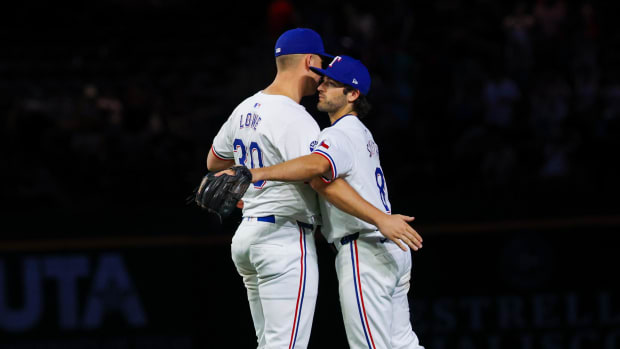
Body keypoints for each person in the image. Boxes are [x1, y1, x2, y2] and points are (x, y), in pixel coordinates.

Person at [240, 55, 425, 348]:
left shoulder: (338, 134)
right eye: (323, 80)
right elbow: (323, 185)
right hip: (389, 248)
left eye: (332, 83)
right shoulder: (361, 134)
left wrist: (257, 173)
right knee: (403, 343)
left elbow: (315, 169)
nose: (322, 87)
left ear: (353, 95)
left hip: (365, 248)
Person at [205, 28, 331, 349]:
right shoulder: (295, 118)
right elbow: (317, 177)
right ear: (309, 60)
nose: (323, 73)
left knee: (271, 344)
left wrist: (241, 183)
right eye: (321, 63)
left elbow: (214, 162)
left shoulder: (245, 108)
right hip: (283, 239)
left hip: (247, 237)